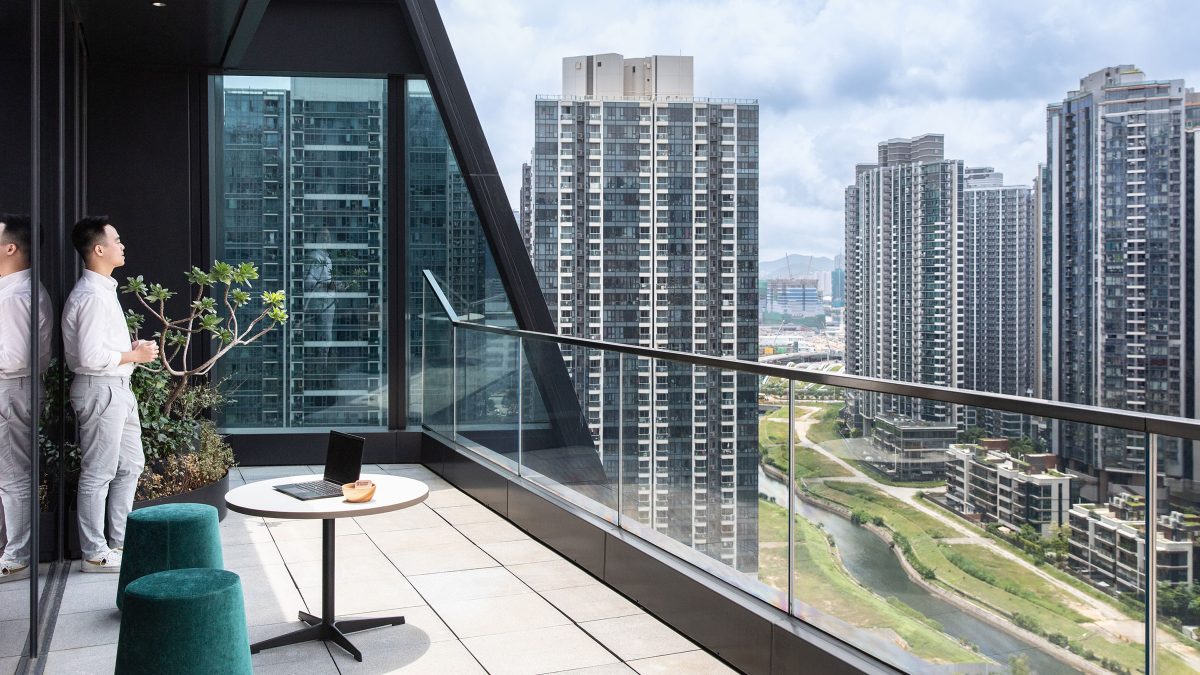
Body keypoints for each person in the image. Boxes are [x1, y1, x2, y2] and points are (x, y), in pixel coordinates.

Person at [62, 216, 158, 572]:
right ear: (99, 249)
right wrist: (134, 355)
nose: (122, 245)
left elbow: (95, 350)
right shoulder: (91, 296)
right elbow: (87, 358)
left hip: (117, 388)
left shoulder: (102, 290)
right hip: (101, 390)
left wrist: (128, 349)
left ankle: (120, 543)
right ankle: (94, 552)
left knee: (131, 463)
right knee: (98, 472)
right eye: (116, 240)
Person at [0, 214, 52, 583]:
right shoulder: (14, 290)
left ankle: (16, 556)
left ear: (10, 247)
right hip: (15, 387)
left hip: (13, 388)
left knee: (13, 474)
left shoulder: (18, 294)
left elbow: (17, 357)